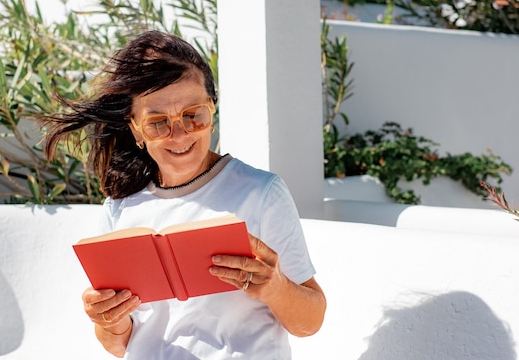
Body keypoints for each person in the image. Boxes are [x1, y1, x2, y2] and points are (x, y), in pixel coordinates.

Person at [43, 30, 326, 359]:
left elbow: (310, 322)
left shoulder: (261, 193)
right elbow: (118, 344)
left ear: (212, 110)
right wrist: (110, 319)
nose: (179, 135)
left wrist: (275, 287)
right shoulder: (120, 207)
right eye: (158, 122)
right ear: (135, 129)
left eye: (194, 116)